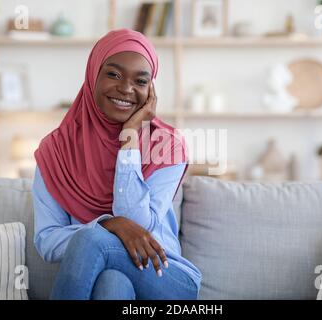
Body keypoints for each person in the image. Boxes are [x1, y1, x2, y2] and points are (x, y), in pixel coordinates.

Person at [31, 28, 202, 300]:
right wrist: (110, 224)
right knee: (112, 283)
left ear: (150, 91)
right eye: (113, 74)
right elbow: (48, 241)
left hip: (166, 276)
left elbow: (138, 226)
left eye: (140, 81)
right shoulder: (56, 150)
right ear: (92, 75)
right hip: (102, 277)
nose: (126, 88)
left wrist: (130, 139)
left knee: (90, 240)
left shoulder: (167, 146)